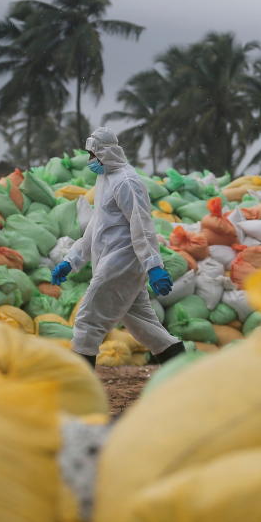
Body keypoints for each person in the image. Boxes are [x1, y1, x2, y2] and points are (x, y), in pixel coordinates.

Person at [52, 127, 185, 367]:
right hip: (112, 262)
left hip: (121, 263)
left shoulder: (127, 182)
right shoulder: (105, 179)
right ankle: (183, 369)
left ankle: (80, 390)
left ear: (107, 152)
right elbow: (96, 226)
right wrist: (71, 260)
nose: (90, 161)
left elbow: (141, 226)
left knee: (87, 321)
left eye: (93, 155)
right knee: (144, 326)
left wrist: (154, 266)